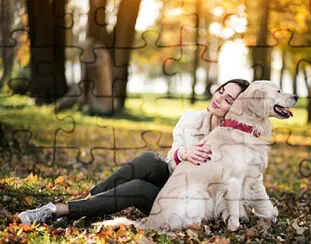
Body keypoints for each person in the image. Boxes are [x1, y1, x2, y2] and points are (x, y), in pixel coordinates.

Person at [18, 79, 250, 225]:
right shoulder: (192, 120)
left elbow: (232, 190)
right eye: (220, 91)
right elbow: (171, 160)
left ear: (237, 108)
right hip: (175, 182)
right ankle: (87, 201)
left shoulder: (238, 143)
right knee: (148, 159)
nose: (219, 98)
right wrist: (182, 155)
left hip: (188, 205)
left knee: (138, 188)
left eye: (228, 99)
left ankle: (56, 210)